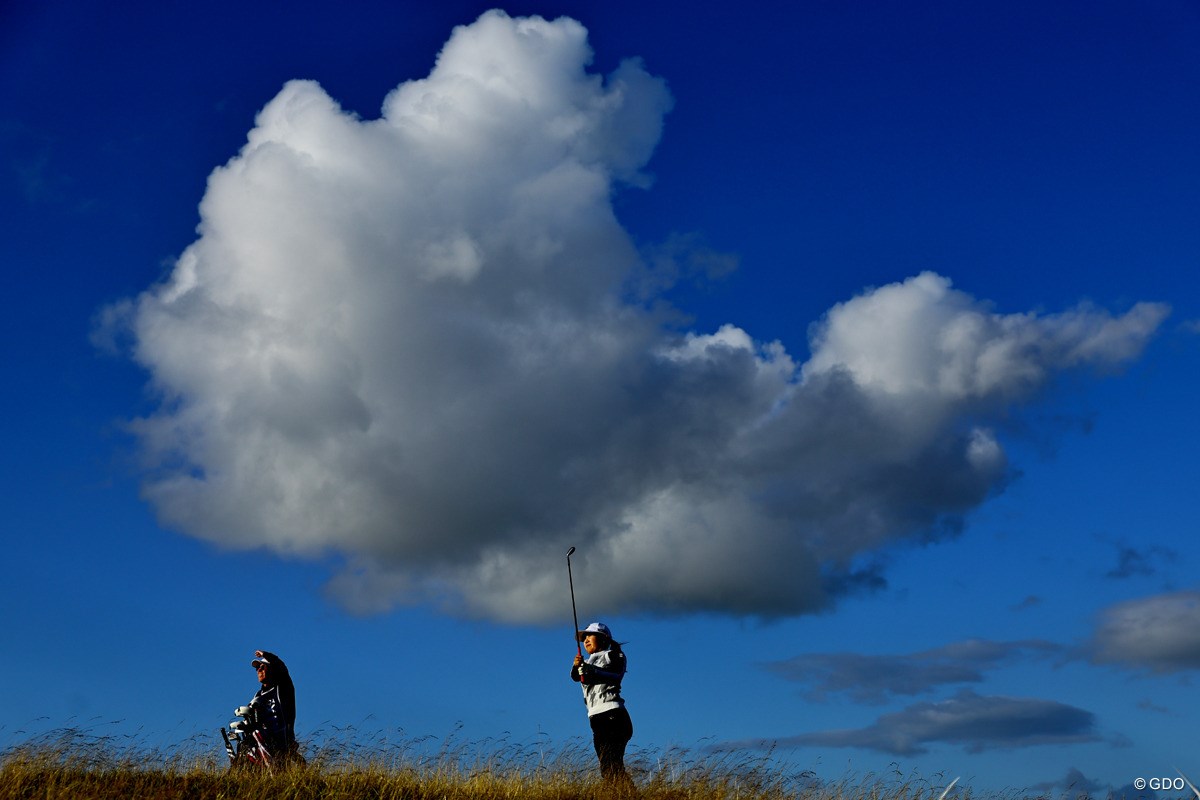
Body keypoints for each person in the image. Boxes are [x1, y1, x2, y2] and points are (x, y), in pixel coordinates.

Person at [570, 622, 634, 786]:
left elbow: (616, 675)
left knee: (612, 765)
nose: (585, 640)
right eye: (584, 638)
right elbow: (576, 677)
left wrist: (591, 670)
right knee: (607, 769)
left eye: (590, 636)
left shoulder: (613, 655)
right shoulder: (588, 661)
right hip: (597, 719)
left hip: (613, 716)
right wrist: (577, 666)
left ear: (604, 639)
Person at [247, 649, 302, 765]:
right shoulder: (258, 695)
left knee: (279, 767)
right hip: (263, 739)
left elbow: (281, 668)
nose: (259, 670)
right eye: (257, 668)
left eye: (262, 667)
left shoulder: (283, 687)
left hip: (283, 738)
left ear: (272, 669)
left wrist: (265, 655)